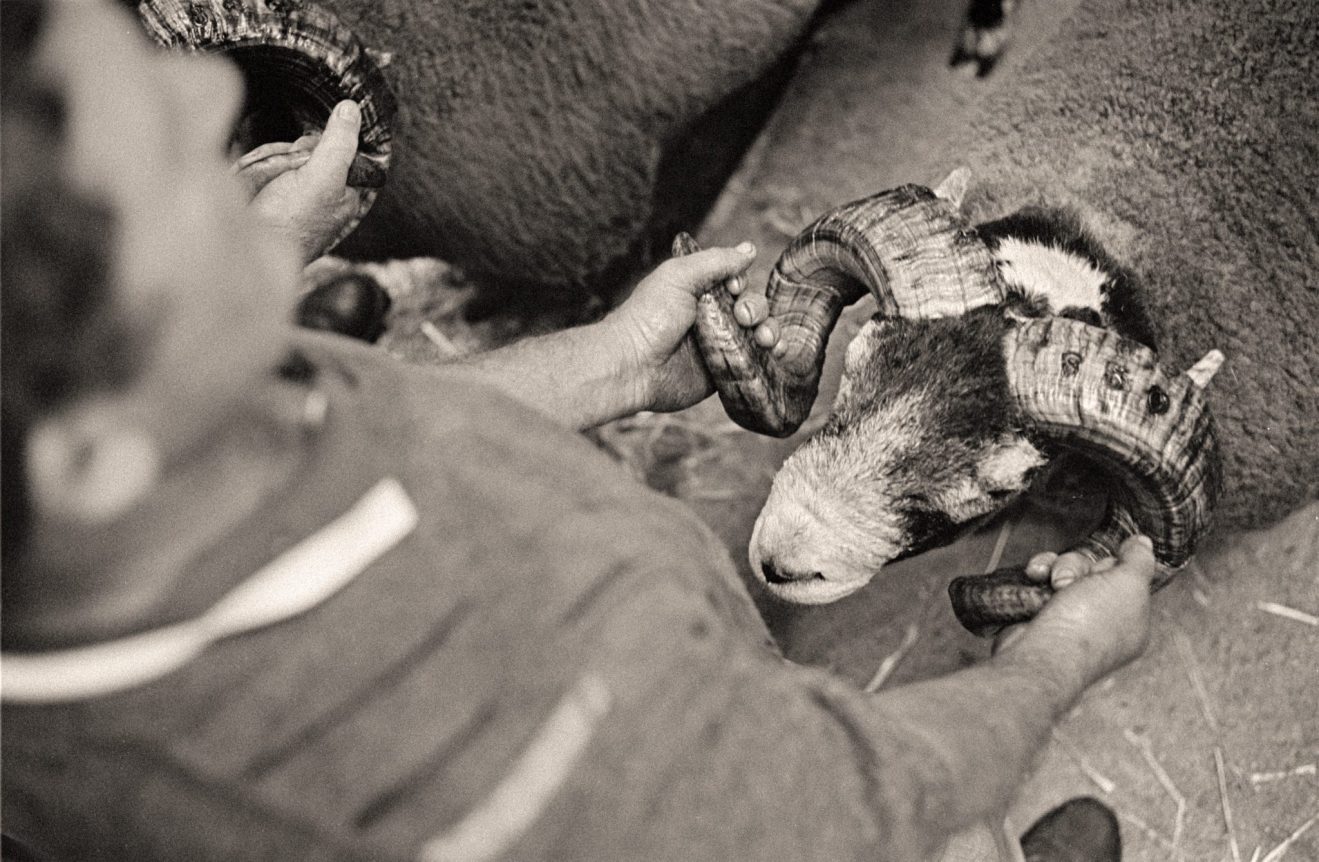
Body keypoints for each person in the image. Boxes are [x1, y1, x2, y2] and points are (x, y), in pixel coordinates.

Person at [1, 1, 1150, 859]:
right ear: (92, 457)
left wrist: (607, 366)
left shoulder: (142, 441)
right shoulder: (496, 753)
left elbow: (366, 422)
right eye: (155, 153)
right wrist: (1062, 656)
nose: (205, 95)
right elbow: (853, 801)